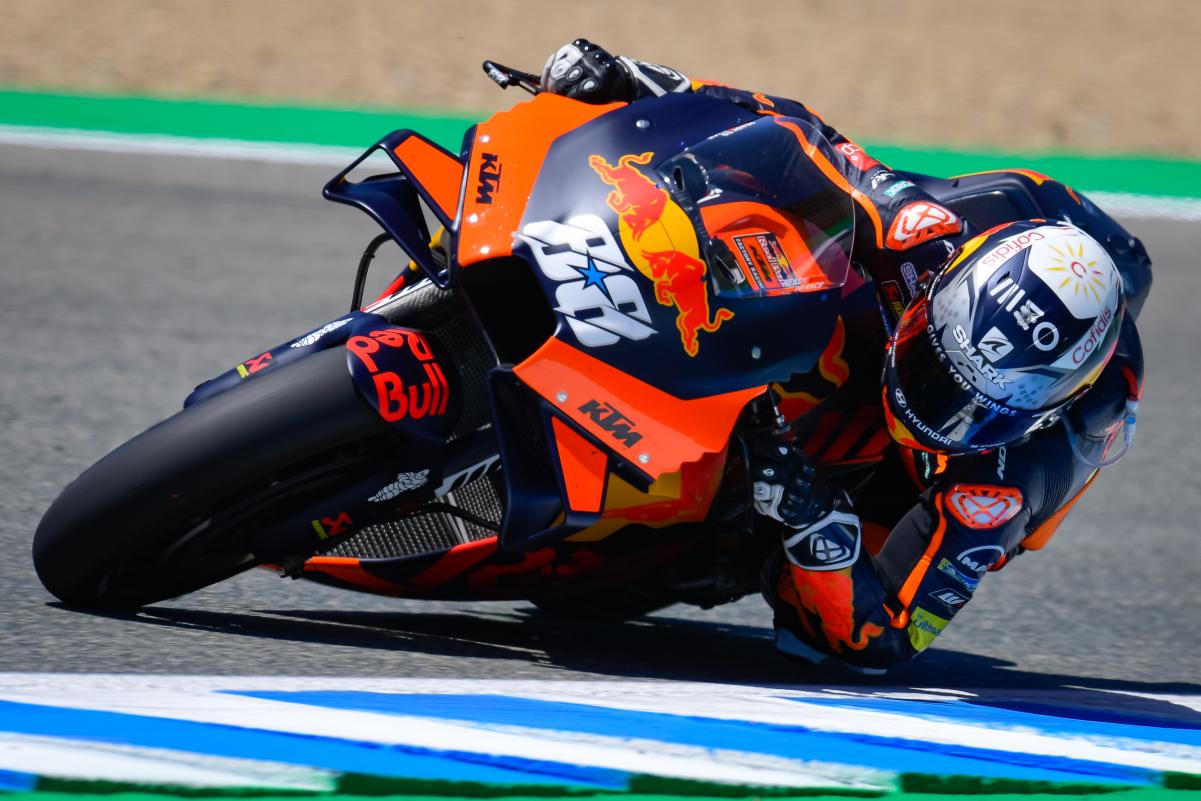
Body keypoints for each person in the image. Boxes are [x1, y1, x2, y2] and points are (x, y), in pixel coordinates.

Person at [540, 40, 1151, 672]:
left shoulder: (1010, 481)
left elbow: (887, 638)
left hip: (913, 478)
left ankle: (708, 550)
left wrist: (813, 516)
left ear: (1044, 413)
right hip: (931, 272)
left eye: (976, 405)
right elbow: (800, 138)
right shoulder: (924, 236)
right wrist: (647, 86)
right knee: (763, 210)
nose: (937, 404)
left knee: (804, 611)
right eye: (937, 368)